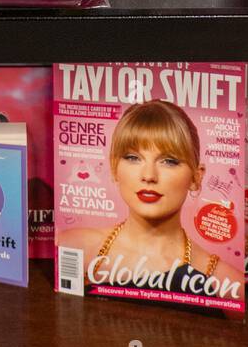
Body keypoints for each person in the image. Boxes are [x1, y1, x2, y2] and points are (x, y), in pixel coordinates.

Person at [60, 100, 238, 299]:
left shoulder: (226, 282)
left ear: (196, 178)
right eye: (133, 157)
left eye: (169, 161)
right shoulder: (72, 246)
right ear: (113, 168)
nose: (149, 175)